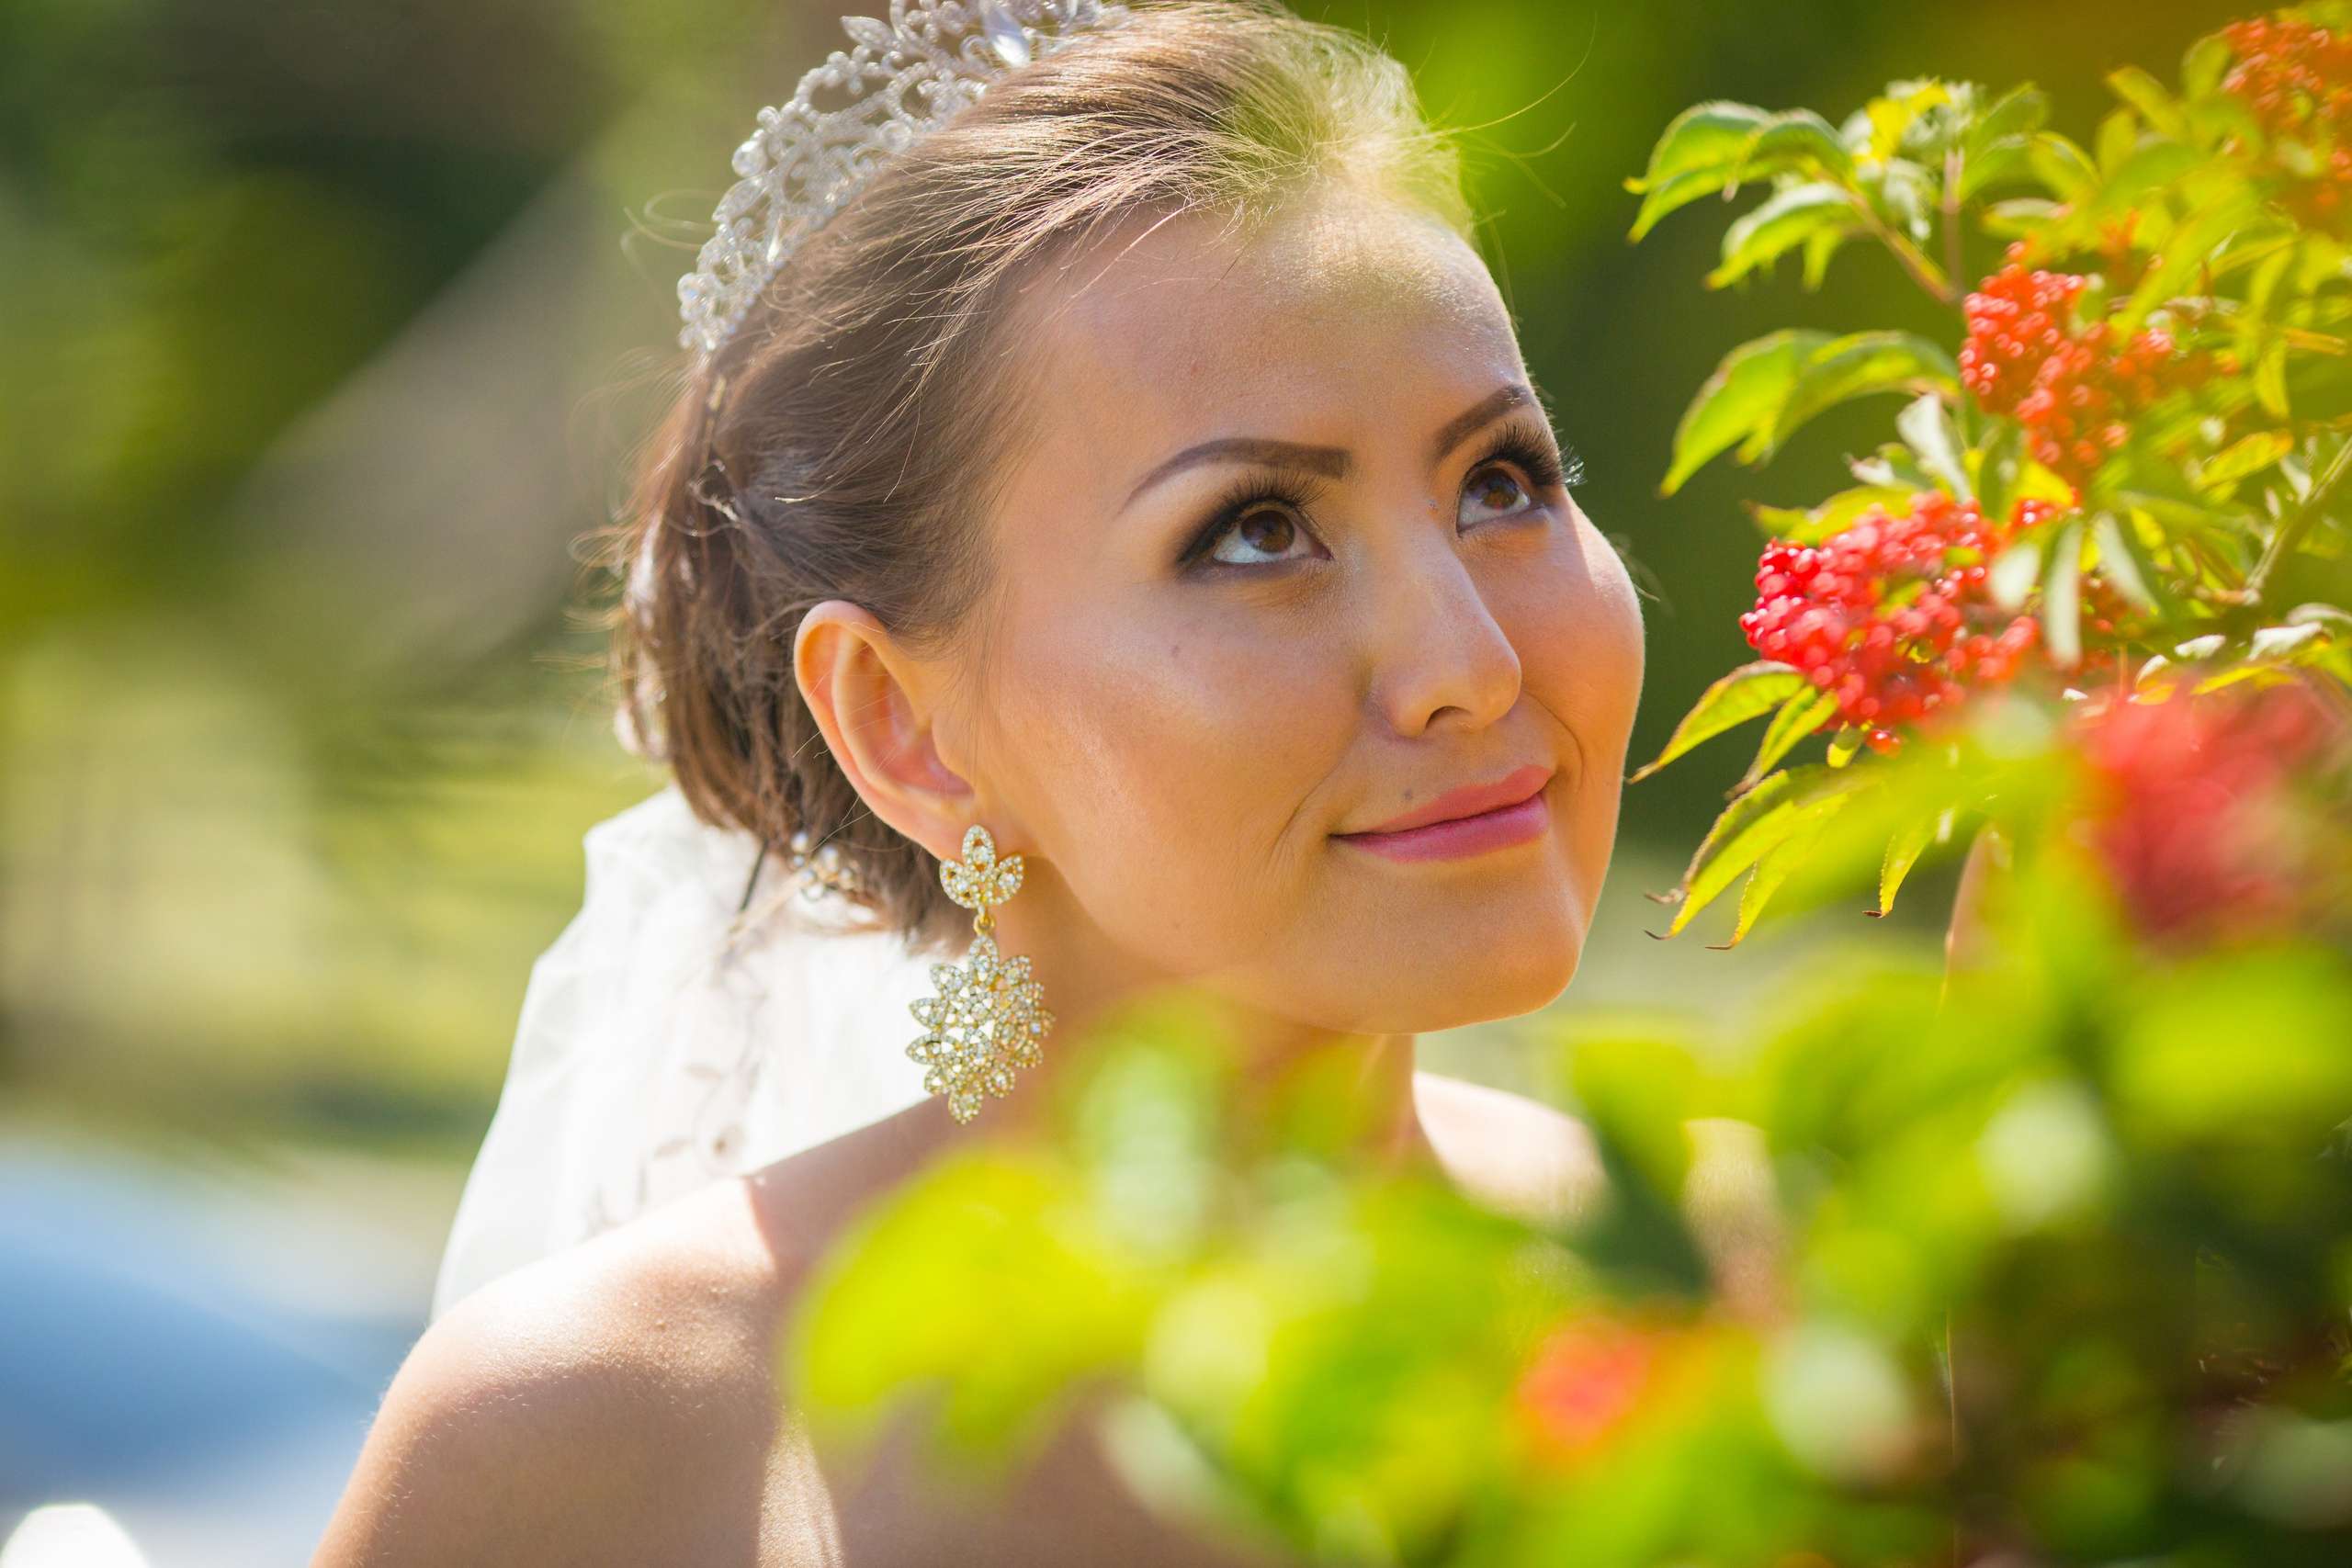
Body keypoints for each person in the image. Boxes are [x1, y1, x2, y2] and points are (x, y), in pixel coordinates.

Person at [316, 1, 1641, 1561]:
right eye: (1258, 530)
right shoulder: (602, 1443)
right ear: (907, 729)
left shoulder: (1762, 1285)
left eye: (1503, 482)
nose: (1471, 663)